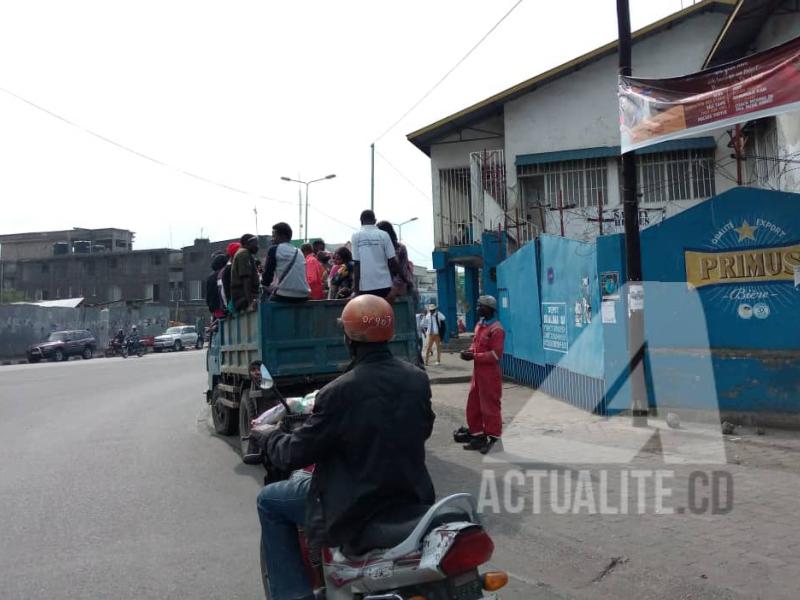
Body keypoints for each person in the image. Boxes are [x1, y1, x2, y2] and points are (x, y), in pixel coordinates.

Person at [255, 295, 435, 600]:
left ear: (348, 338)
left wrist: (270, 436)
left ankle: (293, 594)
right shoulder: (417, 379)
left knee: (269, 501)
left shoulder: (338, 392)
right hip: (409, 492)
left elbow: (295, 453)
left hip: (355, 503)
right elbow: (423, 427)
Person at [458, 295, 505, 455]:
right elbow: (475, 344)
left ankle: (494, 440)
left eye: (481, 306)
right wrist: (470, 351)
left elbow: (496, 355)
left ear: (489, 309)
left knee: (490, 407)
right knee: (474, 404)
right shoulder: (480, 325)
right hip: (478, 373)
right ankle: (477, 436)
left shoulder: (497, 329)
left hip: (490, 374)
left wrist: (475, 356)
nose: (478, 309)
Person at [351, 209, 399, 298]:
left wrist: (356, 290)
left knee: (367, 312)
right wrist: (400, 279)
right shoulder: (384, 235)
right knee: (383, 311)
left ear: (361, 221)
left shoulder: (355, 236)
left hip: (365, 286)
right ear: (375, 221)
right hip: (384, 285)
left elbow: (357, 264)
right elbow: (392, 261)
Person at [262, 222, 310, 303]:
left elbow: (267, 276)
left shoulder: (274, 249)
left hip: (285, 295)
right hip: (304, 295)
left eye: (274, 236)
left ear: (283, 236)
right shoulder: (299, 251)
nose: (272, 239)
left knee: (266, 300)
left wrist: (264, 284)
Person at [376, 221, 417, 305]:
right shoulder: (376, 249)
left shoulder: (400, 248)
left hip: (399, 289)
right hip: (382, 289)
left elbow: (402, 272)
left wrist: (393, 290)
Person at [230, 234, 260, 312]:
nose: (257, 246)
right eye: (255, 244)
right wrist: (250, 303)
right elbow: (246, 279)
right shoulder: (243, 254)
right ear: (248, 243)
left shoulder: (244, 253)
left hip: (243, 298)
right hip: (243, 299)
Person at [206, 253, 228, 319]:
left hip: (215, 310)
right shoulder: (226, 273)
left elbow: (208, 296)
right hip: (225, 308)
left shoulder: (210, 277)